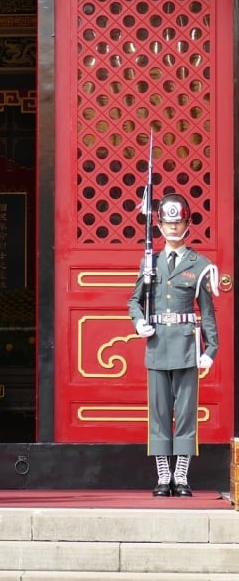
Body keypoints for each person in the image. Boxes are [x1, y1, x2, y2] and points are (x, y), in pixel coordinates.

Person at [127, 193, 218, 498]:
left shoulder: (198, 264)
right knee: (160, 413)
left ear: (187, 224)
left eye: (178, 222)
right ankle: (163, 476)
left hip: (185, 346)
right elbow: (134, 301)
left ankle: (181, 476)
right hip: (156, 344)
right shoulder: (149, 261)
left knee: (186, 413)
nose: (173, 228)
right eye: (167, 222)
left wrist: (210, 349)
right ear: (159, 224)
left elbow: (207, 311)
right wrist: (139, 323)